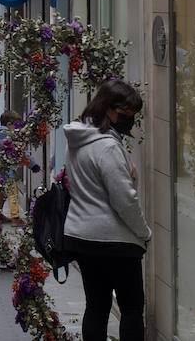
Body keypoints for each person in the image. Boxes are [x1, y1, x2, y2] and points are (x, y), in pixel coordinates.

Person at [62, 80, 151, 341]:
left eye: (133, 113)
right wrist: (144, 232)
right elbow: (124, 200)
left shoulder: (78, 140)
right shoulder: (108, 146)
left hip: (83, 237)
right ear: (107, 108)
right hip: (115, 241)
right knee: (132, 307)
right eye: (125, 112)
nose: (130, 118)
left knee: (96, 307)